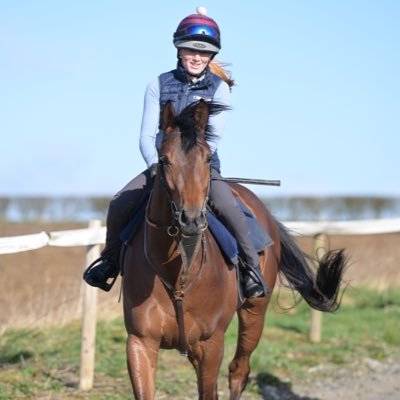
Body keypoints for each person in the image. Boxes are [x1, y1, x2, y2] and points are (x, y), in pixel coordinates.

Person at [84, 7, 268, 298]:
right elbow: (146, 134)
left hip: (202, 165)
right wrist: (156, 165)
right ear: (179, 51)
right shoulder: (158, 84)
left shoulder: (219, 89)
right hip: (164, 164)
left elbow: (213, 139)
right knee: (120, 202)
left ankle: (250, 269)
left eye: (204, 53)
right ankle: (109, 261)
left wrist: (194, 165)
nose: (197, 57)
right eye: (190, 50)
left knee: (227, 206)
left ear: (212, 57)